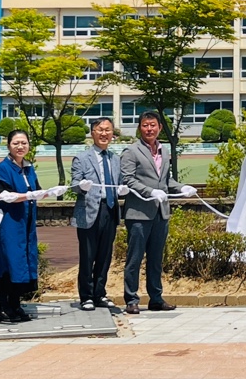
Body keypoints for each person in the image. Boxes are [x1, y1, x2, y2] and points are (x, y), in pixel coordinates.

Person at [120, 111, 190, 314]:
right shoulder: (131, 151)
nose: (149, 129)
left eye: (152, 125)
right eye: (145, 125)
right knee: (135, 258)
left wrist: (182, 187)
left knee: (156, 259)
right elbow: (128, 179)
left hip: (161, 212)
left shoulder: (164, 151)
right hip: (139, 213)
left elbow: (165, 180)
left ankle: (156, 298)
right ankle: (131, 299)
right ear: (139, 128)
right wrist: (150, 191)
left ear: (159, 127)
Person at [72, 116, 127, 311]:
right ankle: (86, 296)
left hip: (110, 209)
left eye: (108, 130)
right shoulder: (82, 157)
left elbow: (120, 181)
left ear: (113, 134)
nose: (104, 134)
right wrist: (82, 186)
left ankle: (99, 293)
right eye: (100, 129)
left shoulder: (115, 158)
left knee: (105, 255)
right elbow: (74, 185)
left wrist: (122, 189)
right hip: (89, 211)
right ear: (92, 132)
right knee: (88, 255)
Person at [0, 128, 43, 323]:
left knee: (22, 262)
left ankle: (15, 304)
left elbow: (36, 191)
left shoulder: (29, 168)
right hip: (10, 222)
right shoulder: (3, 168)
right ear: (8, 146)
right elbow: (5, 193)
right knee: (8, 261)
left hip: (26, 223)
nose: (20, 147)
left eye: (24, 143)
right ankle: (4, 308)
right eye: (16, 143)